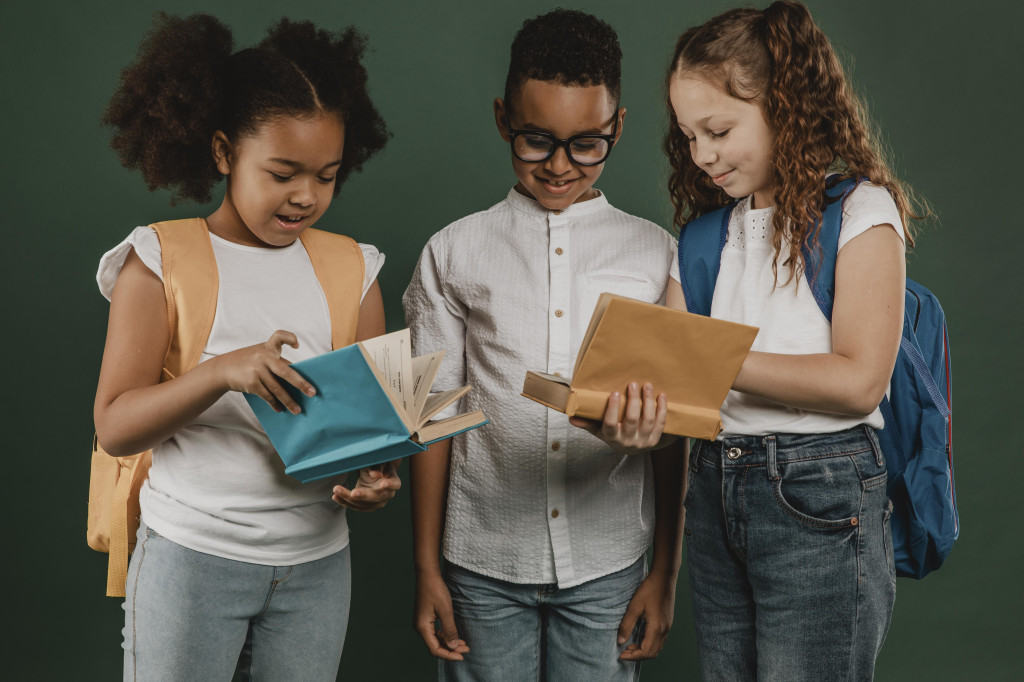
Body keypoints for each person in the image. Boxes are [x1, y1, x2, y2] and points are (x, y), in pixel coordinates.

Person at [93, 14, 398, 681]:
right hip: (191, 559)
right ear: (226, 151)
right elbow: (115, 426)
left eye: (327, 175)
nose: (307, 196)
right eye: (283, 172)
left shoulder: (355, 271)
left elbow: (369, 433)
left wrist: (373, 478)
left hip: (318, 567)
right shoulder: (157, 260)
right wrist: (222, 373)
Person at [403, 9, 686, 681]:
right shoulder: (451, 252)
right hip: (480, 562)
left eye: (587, 143)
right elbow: (430, 418)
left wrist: (666, 571)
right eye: (536, 140)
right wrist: (425, 569)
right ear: (504, 119)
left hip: (609, 562)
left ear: (617, 126)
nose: (560, 165)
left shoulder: (658, 255)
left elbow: (676, 434)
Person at [661, 2, 928, 679]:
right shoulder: (700, 240)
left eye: (718, 130)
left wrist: (710, 355)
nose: (702, 155)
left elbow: (859, 380)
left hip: (820, 491)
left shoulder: (863, 212)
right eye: (689, 136)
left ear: (785, 105)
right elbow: (673, 378)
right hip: (715, 487)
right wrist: (628, 407)